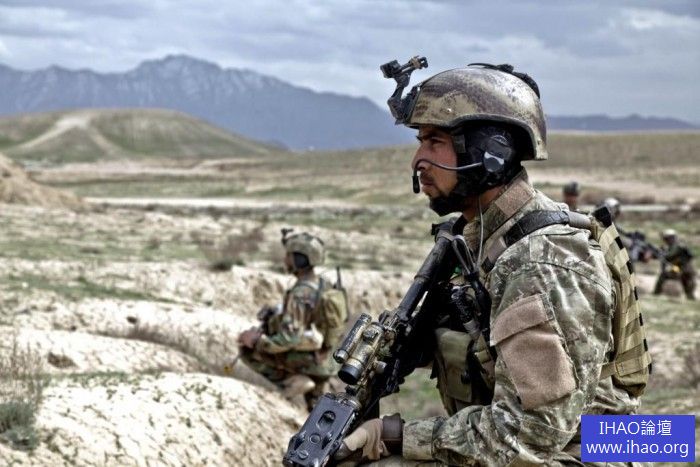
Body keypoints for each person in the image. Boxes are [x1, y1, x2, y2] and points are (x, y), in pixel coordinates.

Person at [334, 62, 649, 465]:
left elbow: (529, 434)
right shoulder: (479, 241)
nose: (418, 160)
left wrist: (394, 436)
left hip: (595, 449)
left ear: (490, 153)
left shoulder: (539, 262)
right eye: (420, 142)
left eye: (435, 142)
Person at [237, 230, 345, 410]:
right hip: (327, 359)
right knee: (316, 411)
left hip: (310, 361)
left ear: (300, 260)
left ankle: (293, 381)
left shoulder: (300, 293)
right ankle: (315, 389)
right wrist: (276, 313)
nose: (285, 260)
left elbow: (289, 338)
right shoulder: (323, 284)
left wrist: (257, 341)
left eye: (289, 256)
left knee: (247, 351)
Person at [653, 229, 696, 300]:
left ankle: (656, 293)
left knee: (663, 276)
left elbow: (669, 256)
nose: (665, 241)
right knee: (688, 288)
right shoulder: (676, 246)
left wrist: (661, 252)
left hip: (683, 270)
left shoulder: (677, 246)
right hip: (683, 270)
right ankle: (656, 294)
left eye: (666, 238)